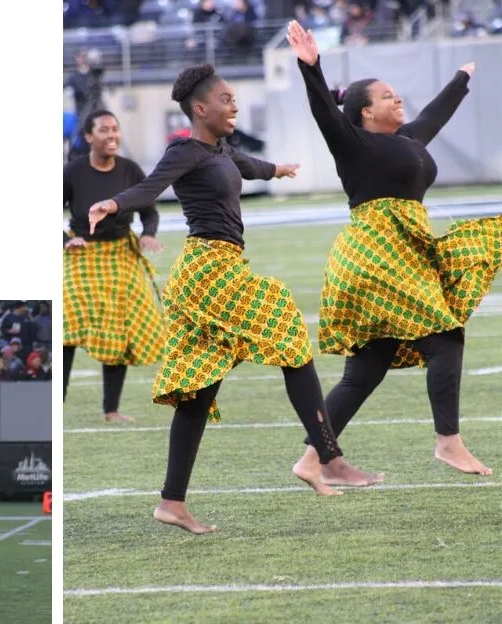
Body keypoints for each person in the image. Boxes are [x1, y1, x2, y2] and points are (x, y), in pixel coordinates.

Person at [86, 63, 381, 533]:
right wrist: (114, 203)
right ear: (200, 108)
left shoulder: (220, 148)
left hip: (221, 267)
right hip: (208, 271)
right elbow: (150, 187)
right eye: (226, 100)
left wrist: (279, 170)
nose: (234, 106)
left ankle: (172, 502)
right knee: (286, 326)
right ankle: (328, 458)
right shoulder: (185, 150)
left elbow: (249, 167)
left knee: (199, 392)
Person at [287, 21, 501, 478]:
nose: (397, 98)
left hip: (401, 251)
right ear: (366, 112)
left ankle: (313, 459)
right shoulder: (353, 144)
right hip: (375, 253)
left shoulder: (407, 139)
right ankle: (448, 443)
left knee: (367, 368)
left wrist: (461, 79)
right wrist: (312, 68)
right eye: (386, 96)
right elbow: (324, 110)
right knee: (444, 335)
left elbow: (436, 115)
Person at [64, 110, 167, 419]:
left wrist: (148, 234)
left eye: (115, 129)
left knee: (119, 327)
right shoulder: (73, 171)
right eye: (104, 130)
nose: (111, 135)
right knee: (67, 326)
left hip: (121, 253)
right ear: (89, 137)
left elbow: (149, 210)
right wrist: (64, 240)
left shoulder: (130, 170)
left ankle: (112, 410)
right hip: (82, 253)